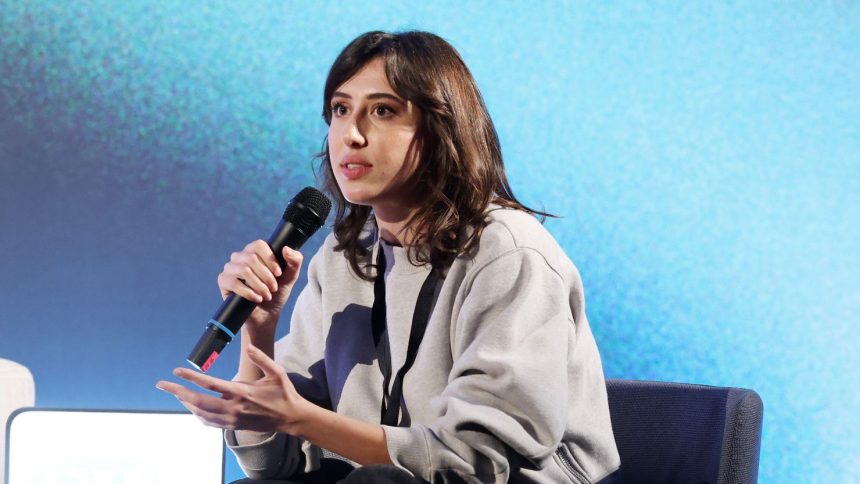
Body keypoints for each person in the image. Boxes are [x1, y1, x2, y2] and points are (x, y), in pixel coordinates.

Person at [157, 31, 621, 483]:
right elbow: (271, 465)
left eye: (383, 111)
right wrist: (260, 329)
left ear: (441, 129)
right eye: (341, 110)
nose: (351, 135)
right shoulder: (343, 257)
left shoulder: (509, 255)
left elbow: (476, 466)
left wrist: (301, 419)